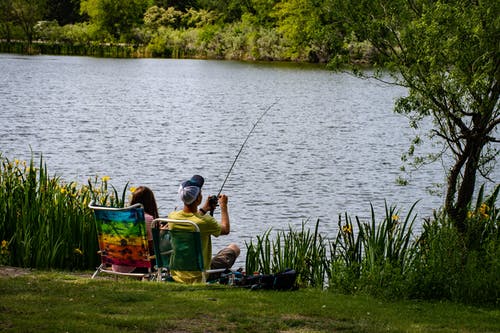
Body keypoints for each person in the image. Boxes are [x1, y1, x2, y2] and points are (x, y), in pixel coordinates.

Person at [168, 175, 240, 283]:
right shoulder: (205, 221)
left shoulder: (172, 218)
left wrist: (204, 209)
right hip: (200, 275)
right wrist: (223, 206)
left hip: (177, 273)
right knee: (234, 248)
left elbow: (193, 220)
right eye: (200, 192)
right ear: (198, 198)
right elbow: (225, 229)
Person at [112, 186, 159, 273]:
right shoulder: (148, 219)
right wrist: (161, 234)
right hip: (137, 265)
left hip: (118, 263)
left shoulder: (122, 217)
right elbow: (152, 246)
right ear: (151, 202)